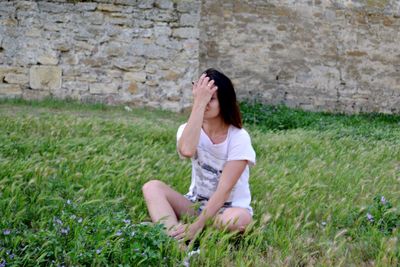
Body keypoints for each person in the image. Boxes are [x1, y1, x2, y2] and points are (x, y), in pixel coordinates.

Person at [142, 68, 256, 241]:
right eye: (200, 97)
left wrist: (197, 225)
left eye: (211, 99)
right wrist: (199, 104)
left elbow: (224, 190)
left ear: (224, 102)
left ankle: (182, 228)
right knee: (152, 187)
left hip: (227, 210)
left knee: (239, 220)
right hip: (195, 206)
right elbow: (187, 150)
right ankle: (175, 239)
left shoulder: (239, 137)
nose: (205, 103)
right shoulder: (187, 130)